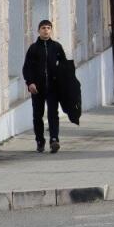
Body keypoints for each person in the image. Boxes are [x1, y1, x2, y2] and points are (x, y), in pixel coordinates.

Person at [22, 19, 68, 154]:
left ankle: (54, 139)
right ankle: (40, 141)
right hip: (37, 88)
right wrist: (30, 82)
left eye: (48, 28)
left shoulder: (56, 47)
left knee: (53, 114)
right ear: (38, 31)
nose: (46, 30)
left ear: (51, 30)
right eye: (43, 28)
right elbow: (27, 68)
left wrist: (64, 82)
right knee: (38, 115)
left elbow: (64, 66)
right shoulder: (33, 48)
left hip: (53, 88)